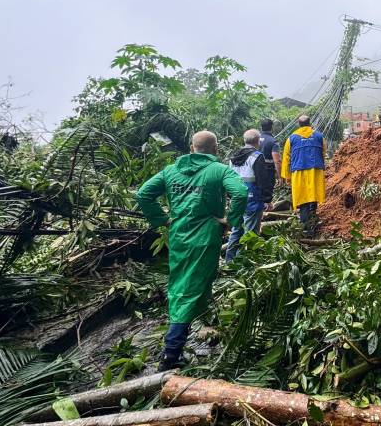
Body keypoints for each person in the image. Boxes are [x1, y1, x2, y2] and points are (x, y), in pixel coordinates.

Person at [136, 130, 249, 371]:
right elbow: (240, 193)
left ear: (191, 147)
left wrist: (161, 220)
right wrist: (231, 221)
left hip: (178, 236)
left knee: (186, 283)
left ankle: (203, 324)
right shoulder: (218, 170)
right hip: (205, 236)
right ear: (215, 148)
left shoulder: (170, 171)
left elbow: (143, 194)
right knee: (188, 290)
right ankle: (171, 353)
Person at [225, 129, 275, 260]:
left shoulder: (233, 157)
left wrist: (230, 198)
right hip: (252, 198)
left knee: (236, 230)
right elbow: (263, 180)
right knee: (251, 232)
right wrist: (267, 200)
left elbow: (229, 179)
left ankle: (229, 260)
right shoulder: (257, 157)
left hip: (236, 198)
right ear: (258, 141)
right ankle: (243, 262)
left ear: (244, 140)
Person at [280, 114, 326, 237]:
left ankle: (305, 226)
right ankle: (312, 221)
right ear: (310, 123)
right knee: (313, 196)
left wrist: (286, 176)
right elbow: (323, 152)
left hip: (299, 172)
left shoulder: (291, 138)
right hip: (315, 171)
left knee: (303, 198)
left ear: (299, 124)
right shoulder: (319, 136)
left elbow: (286, 158)